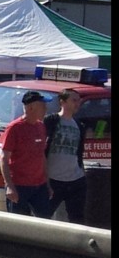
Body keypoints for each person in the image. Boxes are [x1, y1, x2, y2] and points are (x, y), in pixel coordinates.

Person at [0, 90, 53, 217]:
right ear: (31, 108)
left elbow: (42, 156)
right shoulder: (14, 128)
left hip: (39, 186)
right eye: (42, 106)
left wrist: (47, 183)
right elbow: (4, 158)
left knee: (45, 221)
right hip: (19, 186)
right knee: (19, 226)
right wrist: (10, 186)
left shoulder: (41, 126)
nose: (46, 109)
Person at [44, 88, 88, 224]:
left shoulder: (79, 125)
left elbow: (78, 151)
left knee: (77, 219)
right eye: (73, 100)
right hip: (53, 180)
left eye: (79, 101)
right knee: (43, 215)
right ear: (62, 102)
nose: (77, 104)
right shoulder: (51, 121)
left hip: (76, 180)